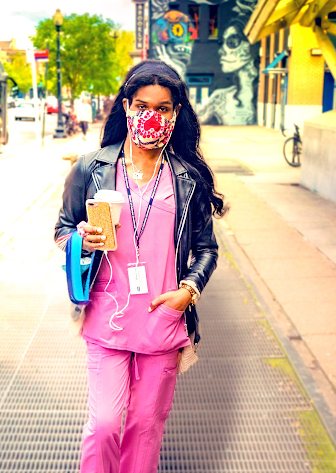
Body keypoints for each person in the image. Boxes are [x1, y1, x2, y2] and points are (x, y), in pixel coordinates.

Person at [54, 59, 225, 473]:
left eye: (163, 108)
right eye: (142, 105)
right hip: (106, 316)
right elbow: (61, 230)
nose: (152, 116)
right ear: (127, 106)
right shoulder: (91, 168)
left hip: (162, 320)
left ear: (176, 113)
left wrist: (187, 292)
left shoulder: (188, 178)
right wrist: (81, 240)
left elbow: (207, 248)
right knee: (105, 425)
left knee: (146, 427)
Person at [198, 20, 258, 125]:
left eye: (232, 42)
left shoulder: (269, 92)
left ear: (250, 45)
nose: (221, 51)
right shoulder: (220, 99)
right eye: (223, 42)